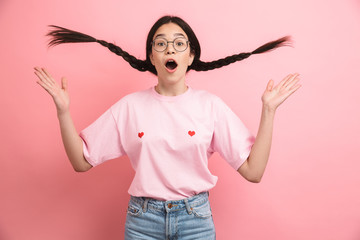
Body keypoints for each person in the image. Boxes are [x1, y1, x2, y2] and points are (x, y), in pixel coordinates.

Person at [34, 15, 301, 240]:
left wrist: (268, 110)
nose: (170, 49)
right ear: (152, 56)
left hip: (195, 220)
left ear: (191, 54)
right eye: (160, 44)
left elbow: (254, 171)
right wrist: (63, 111)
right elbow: (81, 161)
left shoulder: (210, 106)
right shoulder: (130, 107)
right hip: (142, 222)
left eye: (178, 43)